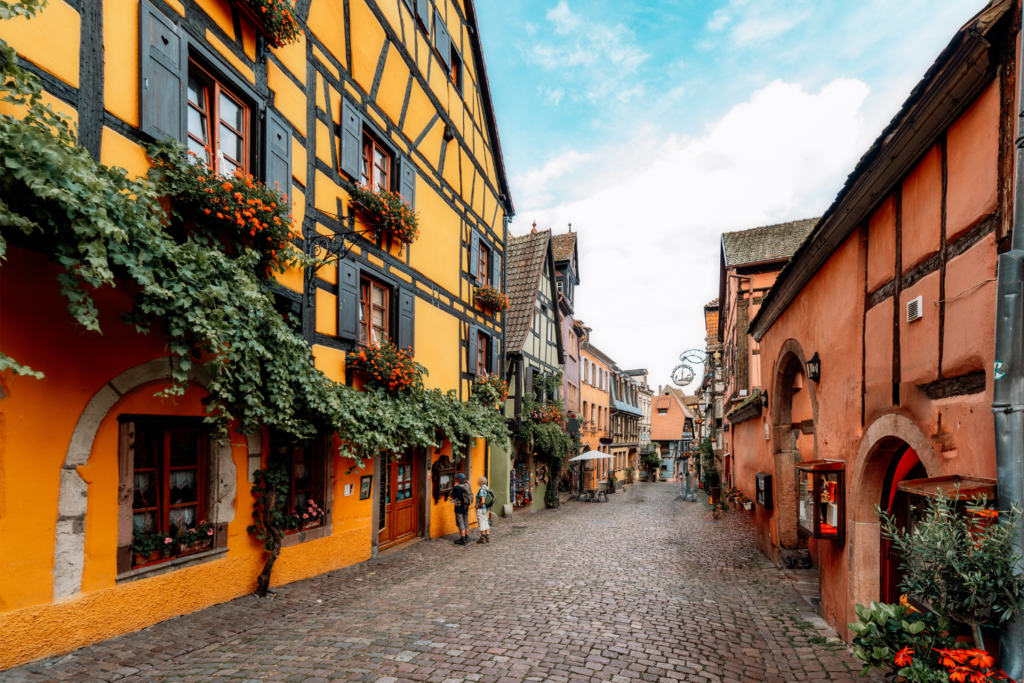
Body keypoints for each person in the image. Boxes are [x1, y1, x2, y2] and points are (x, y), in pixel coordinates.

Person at [451, 473, 471, 546]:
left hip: (459, 507)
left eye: (457, 478)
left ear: (459, 479)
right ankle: (466, 537)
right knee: (466, 522)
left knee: (460, 523)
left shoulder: (457, 487)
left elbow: (452, 496)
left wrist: (454, 488)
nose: (456, 479)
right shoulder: (467, 485)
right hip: (466, 506)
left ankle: (462, 539)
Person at [475, 476, 492, 544]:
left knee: (481, 522)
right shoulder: (487, 488)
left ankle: (482, 538)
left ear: (480, 482)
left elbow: (482, 501)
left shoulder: (482, 489)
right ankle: (487, 537)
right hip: (486, 508)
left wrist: (477, 507)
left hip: (481, 508)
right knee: (485, 521)